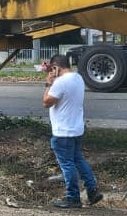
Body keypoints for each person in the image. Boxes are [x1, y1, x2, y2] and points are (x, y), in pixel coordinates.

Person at [41, 53, 100, 208]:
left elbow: (46, 102)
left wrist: (48, 83)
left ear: (56, 68)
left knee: (67, 165)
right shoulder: (78, 78)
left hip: (63, 132)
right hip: (77, 129)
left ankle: (72, 197)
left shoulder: (60, 83)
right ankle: (92, 190)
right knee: (78, 160)